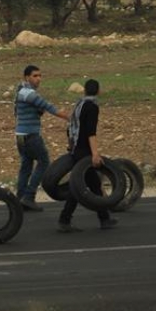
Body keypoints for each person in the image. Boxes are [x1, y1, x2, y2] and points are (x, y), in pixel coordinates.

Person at [57, 79, 118, 233]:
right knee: (90, 186)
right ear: (98, 91)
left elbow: (71, 126)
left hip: (77, 149)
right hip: (84, 151)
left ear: (84, 91)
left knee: (81, 186)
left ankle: (100, 219)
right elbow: (91, 133)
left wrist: (71, 145)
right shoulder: (92, 107)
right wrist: (95, 154)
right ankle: (102, 219)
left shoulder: (79, 104)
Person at [14, 65, 69, 212]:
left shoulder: (20, 92)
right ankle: (29, 196)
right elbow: (48, 107)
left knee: (26, 166)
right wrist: (70, 118)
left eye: (40, 76)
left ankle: (20, 198)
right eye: (35, 76)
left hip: (20, 136)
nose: (38, 79)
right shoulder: (30, 94)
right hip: (31, 135)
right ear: (27, 77)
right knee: (44, 162)